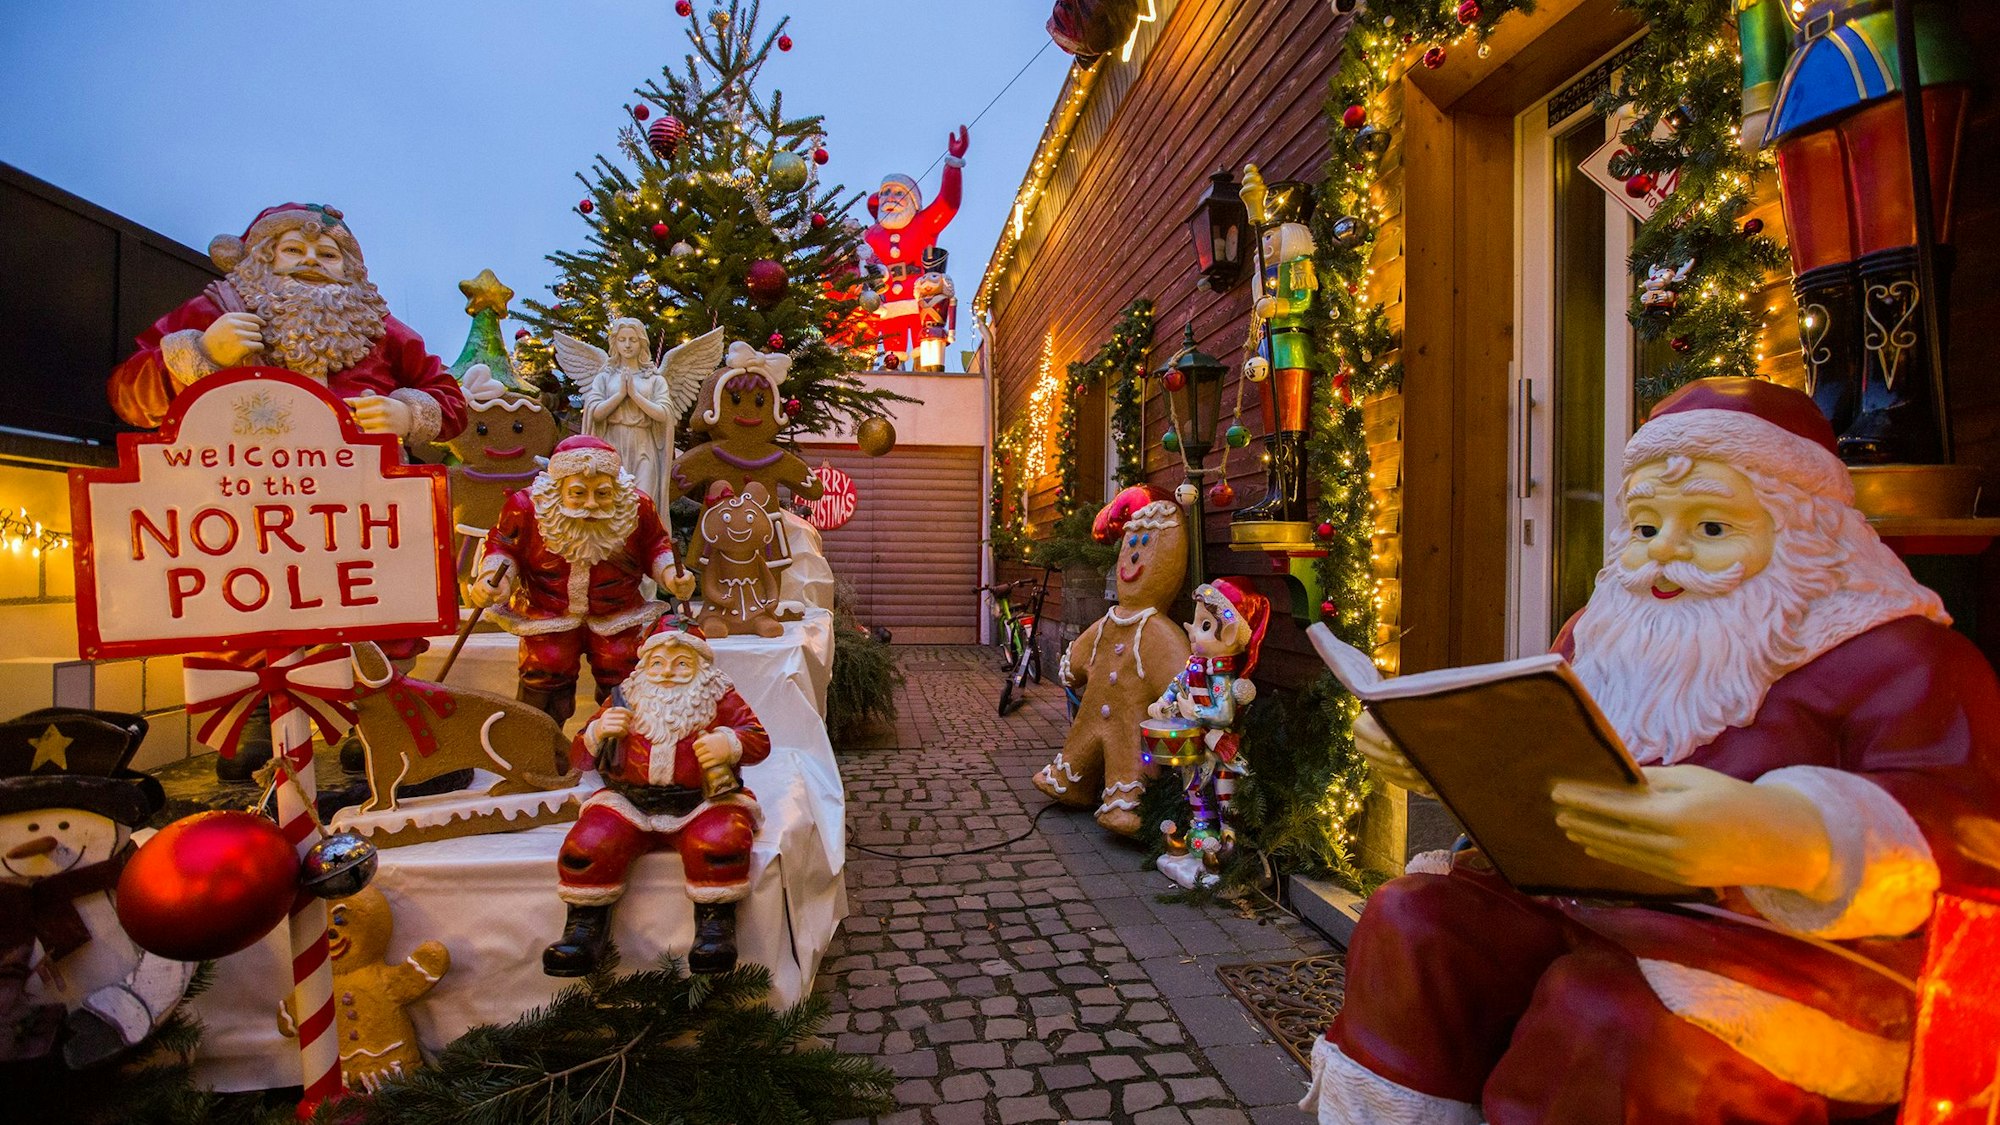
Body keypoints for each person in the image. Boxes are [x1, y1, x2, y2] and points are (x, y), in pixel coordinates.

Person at [1305, 378, 2000, 1124]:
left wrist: (1784, 834)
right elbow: (1548, 756)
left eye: (1709, 529)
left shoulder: (1903, 656)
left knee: (1602, 1013)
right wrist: (1436, 749)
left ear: (1803, 532)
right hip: (1584, 899)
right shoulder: (1608, 628)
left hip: (1776, 955)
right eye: (1643, 528)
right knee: (1415, 922)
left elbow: (1957, 832)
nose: (1663, 552)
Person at [108, 202, 467, 448]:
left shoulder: (381, 330)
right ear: (265, 259)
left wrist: (406, 415)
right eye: (293, 250)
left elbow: (451, 398)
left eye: (328, 255)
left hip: (358, 509)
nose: (312, 259)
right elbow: (128, 397)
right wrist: (203, 352)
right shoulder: (214, 312)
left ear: (350, 271)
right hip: (237, 501)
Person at [542, 625, 769, 976]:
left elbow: (758, 740)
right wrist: (598, 732)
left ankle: (715, 926)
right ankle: (584, 929)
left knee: (720, 843)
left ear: (700, 667)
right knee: (588, 845)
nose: (667, 673)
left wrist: (729, 742)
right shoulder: (625, 697)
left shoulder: (718, 696)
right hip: (629, 801)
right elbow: (579, 758)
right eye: (658, 663)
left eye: (681, 665)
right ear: (644, 665)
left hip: (700, 801)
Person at [467, 435, 696, 724]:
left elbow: (655, 546)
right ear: (557, 488)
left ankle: (621, 749)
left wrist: (670, 575)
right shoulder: (526, 508)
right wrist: (493, 577)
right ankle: (542, 745)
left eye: (602, 494)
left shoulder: (636, 507)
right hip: (547, 614)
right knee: (546, 667)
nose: (590, 504)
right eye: (577, 493)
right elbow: (503, 546)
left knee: (622, 667)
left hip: (617, 615)